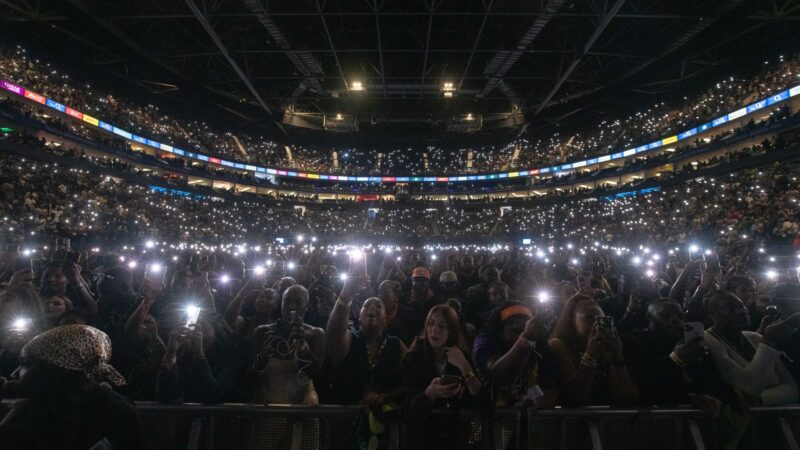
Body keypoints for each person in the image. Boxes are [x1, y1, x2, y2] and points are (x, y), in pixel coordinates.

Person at [0, 325, 147, 450]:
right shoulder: (35, 406)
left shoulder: (111, 412)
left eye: (25, 364)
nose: (14, 373)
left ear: (55, 367)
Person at [325, 274, 406, 448]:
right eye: (366, 305)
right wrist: (346, 293)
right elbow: (333, 335)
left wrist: (385, 397)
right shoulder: (350, 338)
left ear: (386, 319)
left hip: (385, 428)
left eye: (378, 306)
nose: (372, 308)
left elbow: (411, 380)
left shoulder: (396, 344)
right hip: (346, 426)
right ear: (359, 316)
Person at [400, 304, 483, 450]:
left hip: (455, 438)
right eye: (431, 324)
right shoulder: (413, 359)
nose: (434, 330)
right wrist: (429, 394)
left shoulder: (460, 356)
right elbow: (407, 409)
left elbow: (483, 404)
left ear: (451, 330)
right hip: (422, 439)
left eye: (442, 326)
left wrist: (465, 368)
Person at [704, 290, 799, 406]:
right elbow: (749, 387)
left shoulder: (754, 337)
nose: (741, 312)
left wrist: (756, 400)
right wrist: (769, 342)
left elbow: (792, 389)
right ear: (712, 315)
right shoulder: (708, 341)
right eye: (730, 308)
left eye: (741, 306)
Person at [622, 298, 720, 409]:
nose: (675, 320)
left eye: (680, 316)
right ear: (650, 317)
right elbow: (641, 382)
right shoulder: (632, 340)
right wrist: (675, 360)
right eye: (666, 315)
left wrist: (701, 396)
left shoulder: (686, 341)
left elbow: (708, 378)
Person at [548, 294, 639, 406]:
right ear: (572, 321)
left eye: (601, 320)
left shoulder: (607, 348)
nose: (596, 325)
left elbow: (629, 399)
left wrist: (617, 360)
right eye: (589, 318)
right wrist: (590, 356)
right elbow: (575, 396)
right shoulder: (558, 345)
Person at [473, 302, 557, 409]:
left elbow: (550, 388)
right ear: (500, 330)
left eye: (525, 330)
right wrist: (526, 339)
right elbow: (498, 374)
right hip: (492, 418)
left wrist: (537, 401)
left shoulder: (538, 342)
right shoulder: (484, 341)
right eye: (515, 331)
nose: (520, 336)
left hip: (530, 419)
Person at [251, 284, 326, 404]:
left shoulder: (315, 334)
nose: (292, 306)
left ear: (306, 307)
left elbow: (317, 376)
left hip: (301, 410)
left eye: (298, 302)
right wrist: (264, 356)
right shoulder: (263, 332)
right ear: (281, 304)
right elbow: (250, 378)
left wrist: (302, 346)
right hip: (266, 406)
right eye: (287, 301)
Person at [156, 311, 249, 404]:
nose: (197, 333)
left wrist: (199, 354)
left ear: (216, 330)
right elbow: (164, 396)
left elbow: (214, 396)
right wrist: (171, 353)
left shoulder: (235, 354)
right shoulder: (185, 353)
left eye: (203, 327)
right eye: (193, 327)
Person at [378, 279, 417, 346]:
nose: (381, 296)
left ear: (396, 296)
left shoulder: (408, 315)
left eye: (385, 292)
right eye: (379, 292)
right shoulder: (375, 316)